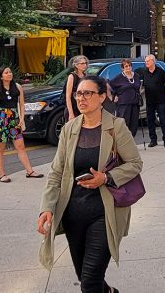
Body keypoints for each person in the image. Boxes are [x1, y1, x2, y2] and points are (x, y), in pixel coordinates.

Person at [38, 76, 142, 293]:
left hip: (105, 212)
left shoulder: (116, 127)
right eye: (78, 93)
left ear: (102, 97)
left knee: (90, 281)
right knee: (85, 276)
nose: (81, 98)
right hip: (73, 212)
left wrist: (105, 178)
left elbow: (135, 163)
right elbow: (56, 171)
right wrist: (46, 208)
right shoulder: (69, 129)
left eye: (88, 93)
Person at [0, 66, 44, 183]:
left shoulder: (17, 87)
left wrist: (22, 118)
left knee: (20, 146)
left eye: (10, 72)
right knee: (0, 148)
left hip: (14, 118)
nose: (9, 74)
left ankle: (29, 171)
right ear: (1, 76)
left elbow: (21, 104)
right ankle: (1, 174)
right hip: (0, 119)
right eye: (6, 72)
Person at [138, 55, 165, 148]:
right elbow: (143, 85)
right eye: (145, 61)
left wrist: (163, 92)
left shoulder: (161, 72)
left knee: (163, 120)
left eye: (147, 61)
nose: (146, 63)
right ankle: (153, 140)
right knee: (150, 121)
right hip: (149, 101)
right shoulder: (145, 73)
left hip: (160, 100)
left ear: (153, 61)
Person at [109, 59, 142, 137]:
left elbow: (138, 86)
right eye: (126, 66)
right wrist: (114, 95)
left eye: (130, 66)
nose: (128, 68)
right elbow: (110, 86)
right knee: (124, 124)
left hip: (135, 103)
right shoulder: (119, 77)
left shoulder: (136, 76)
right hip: (123, 104)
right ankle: (123, 144)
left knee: (134, 124)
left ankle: (131, 143)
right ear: (122, 68)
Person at [66, 55, 89, 120]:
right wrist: (71, 113)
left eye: (85, 63)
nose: (84, 65)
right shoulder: (72, 76)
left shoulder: (86, 76)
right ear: (76, 65)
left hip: (83, 107)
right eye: (82, 63)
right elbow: (68, 96)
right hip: (74, 108)